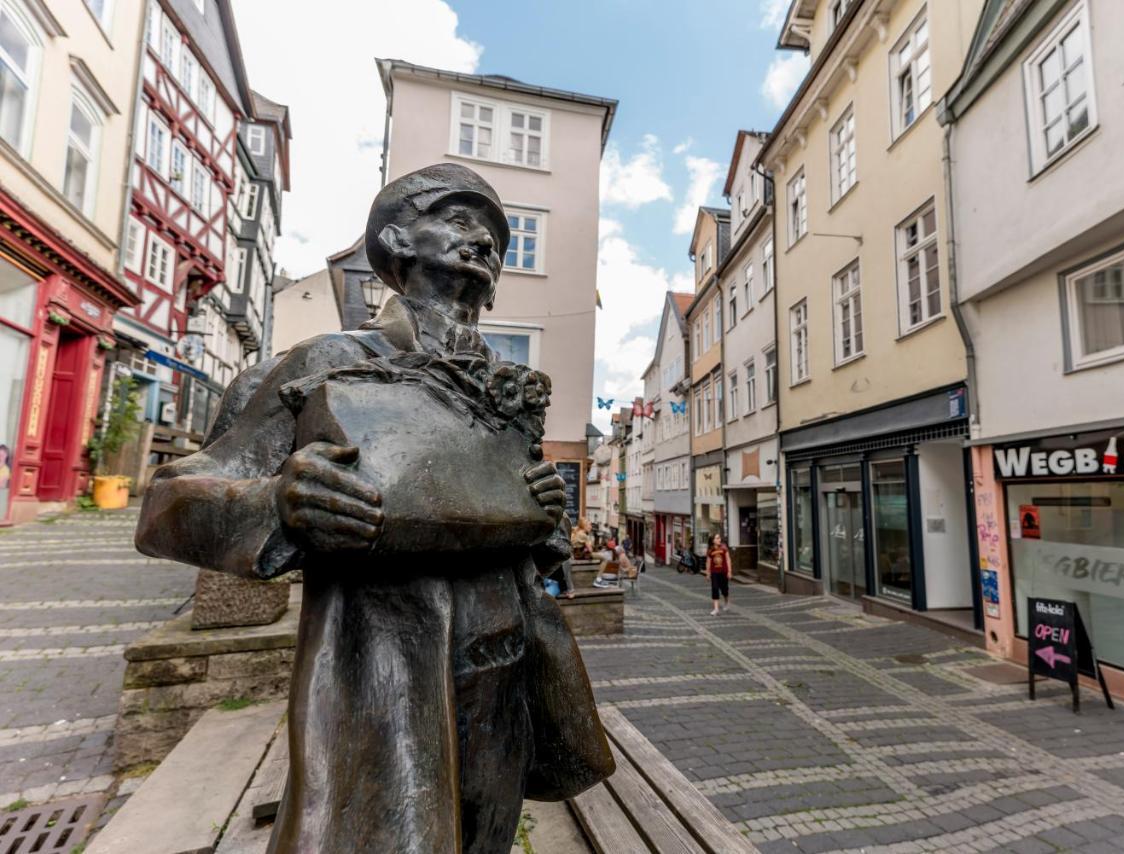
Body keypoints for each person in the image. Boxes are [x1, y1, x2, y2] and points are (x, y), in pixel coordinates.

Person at [135, 164, 612, 854]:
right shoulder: (325, 361)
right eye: (456, 218)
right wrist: (280, 502)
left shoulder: (507, 391)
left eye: (495, 233)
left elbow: (521, 533)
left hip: (505, 671)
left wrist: (545, 516)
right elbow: (168, 503)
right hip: (384, 671)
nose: (481, 237)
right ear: (396, 240)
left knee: (489, 838)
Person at [706, 532, 732, 615]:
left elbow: (728, 559)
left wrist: (729, 571)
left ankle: (727, 602)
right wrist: (708, 573)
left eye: (719, 538)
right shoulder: (710, 550)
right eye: (717, 538)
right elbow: (708, 562)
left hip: (723, 572)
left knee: (724, 589)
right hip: (715, 573)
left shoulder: (724, 548)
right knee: (715, 589)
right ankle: (716, 608)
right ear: (713, 541)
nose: (719, 539)